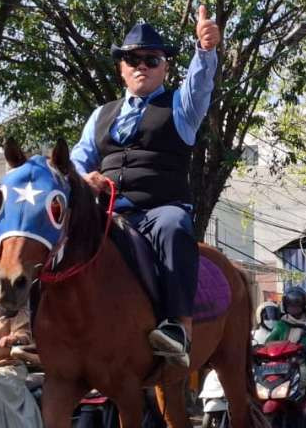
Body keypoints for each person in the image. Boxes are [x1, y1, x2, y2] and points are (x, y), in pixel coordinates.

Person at [70, 8, 221, 368]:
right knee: (57, 233)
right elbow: (78, 159)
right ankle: (37, 324)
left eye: (151, 59)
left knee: (173, 227)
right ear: (121, 68)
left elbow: (200, 85)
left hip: (159, 210)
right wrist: (81, 178)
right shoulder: (100, 115)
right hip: (109, 212)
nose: (141, 66)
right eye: (132, 59)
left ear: (164, 66)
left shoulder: (182, 108)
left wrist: (206, 50)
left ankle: (178, 328)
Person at [265, 287, 306, 396]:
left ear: (303, 305)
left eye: (297, 304)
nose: (293, 307)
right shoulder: (281, 324)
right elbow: (269, 343)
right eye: (290, 304)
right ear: (285, 305)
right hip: (280, 367)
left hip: (301, 365)